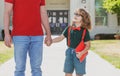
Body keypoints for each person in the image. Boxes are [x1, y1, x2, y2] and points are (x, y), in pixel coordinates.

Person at [4, 0, 52, 76]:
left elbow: (43, 13)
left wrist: (48, 33)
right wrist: (6, 33)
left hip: (37, 36)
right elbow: (7, 12)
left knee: (36, 69)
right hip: (19, 36)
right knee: (19, 69)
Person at [52, 8, 91, 76]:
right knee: (67, 72)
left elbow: (88, 45)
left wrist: (81, 53)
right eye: (75, 14)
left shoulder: (85, 31)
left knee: (79, 74)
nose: (76, 16)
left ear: (83, 18)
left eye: (79, 15)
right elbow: (61, 37)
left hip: (79, 53)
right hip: (69, 52)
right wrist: (51, 41)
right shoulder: (69, 28)